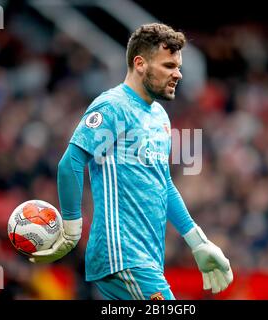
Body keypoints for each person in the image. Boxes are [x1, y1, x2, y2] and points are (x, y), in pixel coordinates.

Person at [29, 23, 233, 300]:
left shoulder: (160, 115)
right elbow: (71, 162)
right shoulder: (113, 106)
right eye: (169, 65)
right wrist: (71, 231)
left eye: (178, 66)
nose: (178, 74)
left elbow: (164, 186)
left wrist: (198, 242)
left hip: (147, 257)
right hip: (122, 255)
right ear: (140, 64)